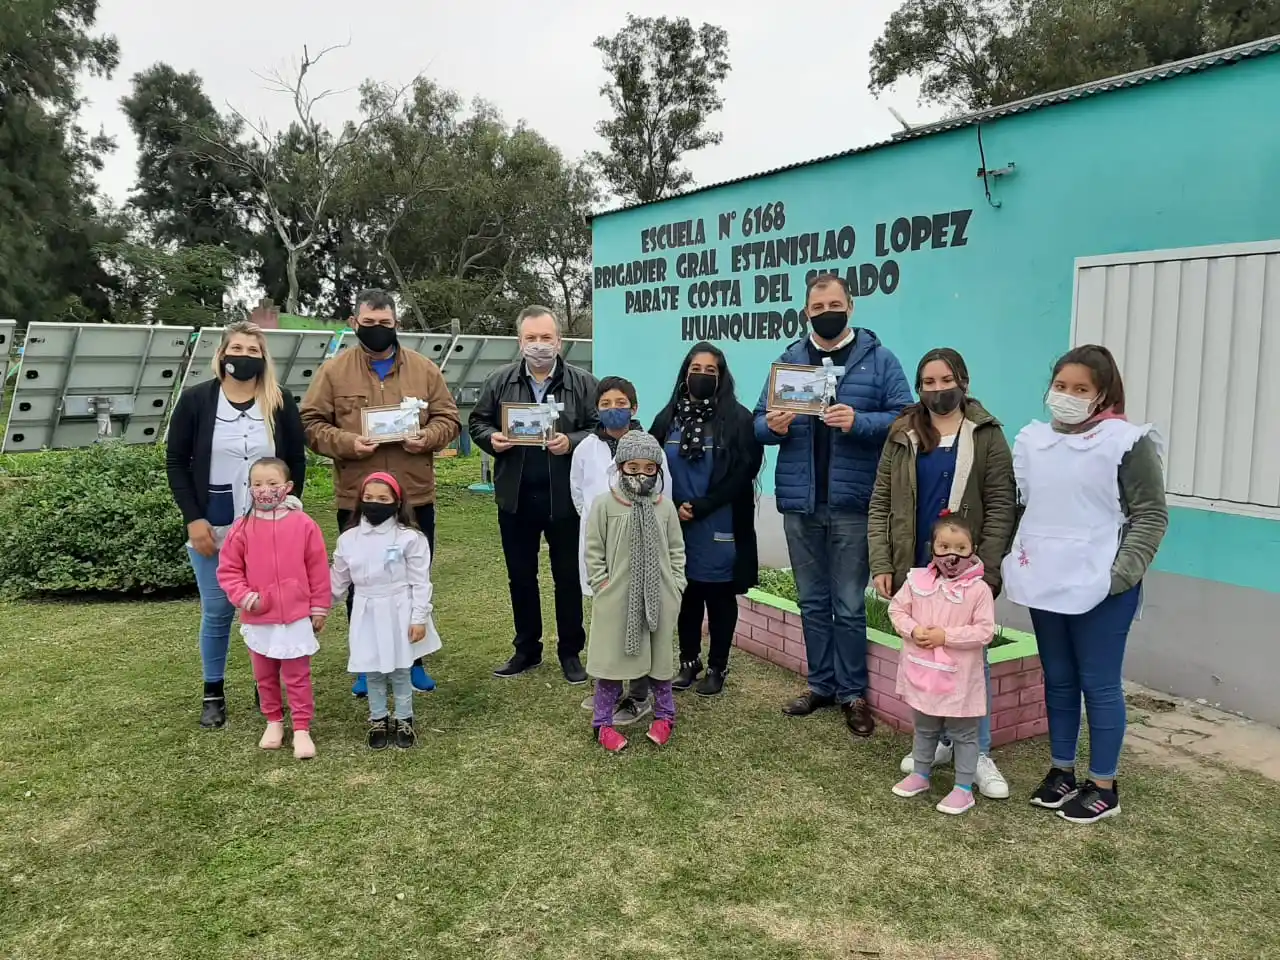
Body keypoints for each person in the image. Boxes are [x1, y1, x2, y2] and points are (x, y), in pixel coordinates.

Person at [1003, 345, 1168, 824]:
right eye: (1061, 386)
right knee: (1058, 678)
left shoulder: (1126, 442)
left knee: (1099, 683)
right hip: (1046, 581)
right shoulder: (1033, 441)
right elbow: (1022, 505)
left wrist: (1120, 576)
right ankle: (1062, 770)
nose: (1067, 396)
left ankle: (1103, 784)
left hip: (1102, 586)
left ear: (1102, 395)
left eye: (1081, 389)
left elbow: (1150, 515)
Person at [754, 274, 913, 735]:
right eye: (818, 307)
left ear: (851, 307)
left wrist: (859, 421)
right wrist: (773, 427)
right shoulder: (790, 362)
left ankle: (853, 693)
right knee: (811, 601)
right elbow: (757, 422)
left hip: (852, 502)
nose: (827, 313)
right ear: (807, 312)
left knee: (848, 604)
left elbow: (906, 418)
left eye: (835, 304)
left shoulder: (879, 360)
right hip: (801, 503)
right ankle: (821, 685)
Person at [868, 348, 1017, 798]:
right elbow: (881, 500)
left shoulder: (986, 434)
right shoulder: (902, 432)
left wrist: (988, 570)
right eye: (928, 382)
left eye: (946, 380)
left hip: (966, 572)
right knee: (924, 653)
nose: (938, 389)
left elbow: (1001, 505)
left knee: (970, 660)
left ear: (963, 382)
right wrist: (882, 562)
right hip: (917, 567)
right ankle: (938, 743)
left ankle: (979, 750)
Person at [299, 288, 459, 697]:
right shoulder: (334, 372)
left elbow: (449, 418)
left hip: (413, 497)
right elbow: (310, 424)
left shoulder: (424, 369)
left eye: (384, 323)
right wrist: (347, 443)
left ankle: (414, 659)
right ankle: (366, 663)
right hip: (359, 497)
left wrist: (428, 438)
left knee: (413, 578)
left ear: (396, 323)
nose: (377, 329)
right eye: (368, 323)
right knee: (361, 581)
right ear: (354, 323)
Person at [166, 321, 307, 729]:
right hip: (214, 523)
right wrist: (193, 518)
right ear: (222, 354)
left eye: (253, 350)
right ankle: (213, 691)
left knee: (268, 607)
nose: (244, 356)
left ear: (263, 358)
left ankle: (267, 687)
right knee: (217, 610)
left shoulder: (279, 401)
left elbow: (295, 460)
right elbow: (176, 462)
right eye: (237, 348)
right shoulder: (197, 400)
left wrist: (290, 508)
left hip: (268, 526)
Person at [468, 306, 599, 683]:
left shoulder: (583, 383)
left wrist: (571, 441)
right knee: (521, 577)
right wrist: (491, 439)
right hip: (516, 495)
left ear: (559, 341)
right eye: (531, 338)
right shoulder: (499, 380)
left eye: (546, 338)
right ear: (519, 341)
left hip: (565, 497)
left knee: (567, 577)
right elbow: (478, 421)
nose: (539, 345)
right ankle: (526, 649)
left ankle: (570, 651)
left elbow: (598, 427)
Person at [651, 342, 763, 697]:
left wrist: (702, 505)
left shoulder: (738, 419)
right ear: (685, 374)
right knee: (686, 595)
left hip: (720, 522)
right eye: (695, 369)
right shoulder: (668, 417)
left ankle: (717, 666)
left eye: (710, 370)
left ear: (722, 376)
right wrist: (675, 505)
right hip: (677, 523)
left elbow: (745, 470)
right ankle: (688, 661)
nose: (702, 376)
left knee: (718, 597)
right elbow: (650, 465)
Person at [215, 458, 330, 760]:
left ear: (287, 487)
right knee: (264, 675)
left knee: (298, 675)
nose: (265, 490)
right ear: (249, 488)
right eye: (257, 484)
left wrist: (319, 607)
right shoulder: (242, 528)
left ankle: (302, 727)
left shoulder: (304, 524)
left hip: (296, 615)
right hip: (259, 616)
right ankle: (273, 721)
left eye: (272, 483)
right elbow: (228, 570)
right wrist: (246, 598)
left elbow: (318, 569)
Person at [570, 376, 669, 725]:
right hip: (602, 549)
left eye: (621, 403)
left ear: (634, 407)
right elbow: (579, 495)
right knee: (607, 621)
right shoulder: (586, 448)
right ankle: (608, 688)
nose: (614, 410)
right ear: (597, 409)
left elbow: (663, 496)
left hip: (641, 551)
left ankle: (638, 695)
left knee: (640, 620)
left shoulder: (650, 448)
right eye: (606, 404)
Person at [584, 431, 686, 752]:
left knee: (660, 661)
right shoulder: (605, 505)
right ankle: (602, 723)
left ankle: (665, 715)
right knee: (611, 662)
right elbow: (593, 550)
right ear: (621, 467)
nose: (641, 474)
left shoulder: (665, 507)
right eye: (633, 467)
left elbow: (676, 550)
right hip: (616, 600)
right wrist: (602, 584)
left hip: (659, 598)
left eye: (649, 468)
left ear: (657, 470)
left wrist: (676, 586)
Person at [888, 517, 996, 815]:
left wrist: (946, 637)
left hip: (960, 680)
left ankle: (963, 788)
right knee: (924, 727)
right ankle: (920, 774)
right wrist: (913, 630)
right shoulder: (917, 583)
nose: (952, 555)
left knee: (964, 733)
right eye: (944, 546)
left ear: (973, 550)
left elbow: (985, 631)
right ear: (932, 548)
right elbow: (897, 609)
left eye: (961, 548)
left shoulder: (978, 590)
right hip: (923, 673)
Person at [331, 472, 442, 751]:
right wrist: (318, 608)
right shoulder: (349, 539)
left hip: (398, 609)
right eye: (368, 498)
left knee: (401, 669)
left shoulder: (410, 538)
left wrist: (419, 618)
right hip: (365, 609)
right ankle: (378, 719)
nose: (374, 503)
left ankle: (404, 719)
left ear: (397, 502)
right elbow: (337, 581)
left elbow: (420, 581)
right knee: (373, 670)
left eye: (383, 499)